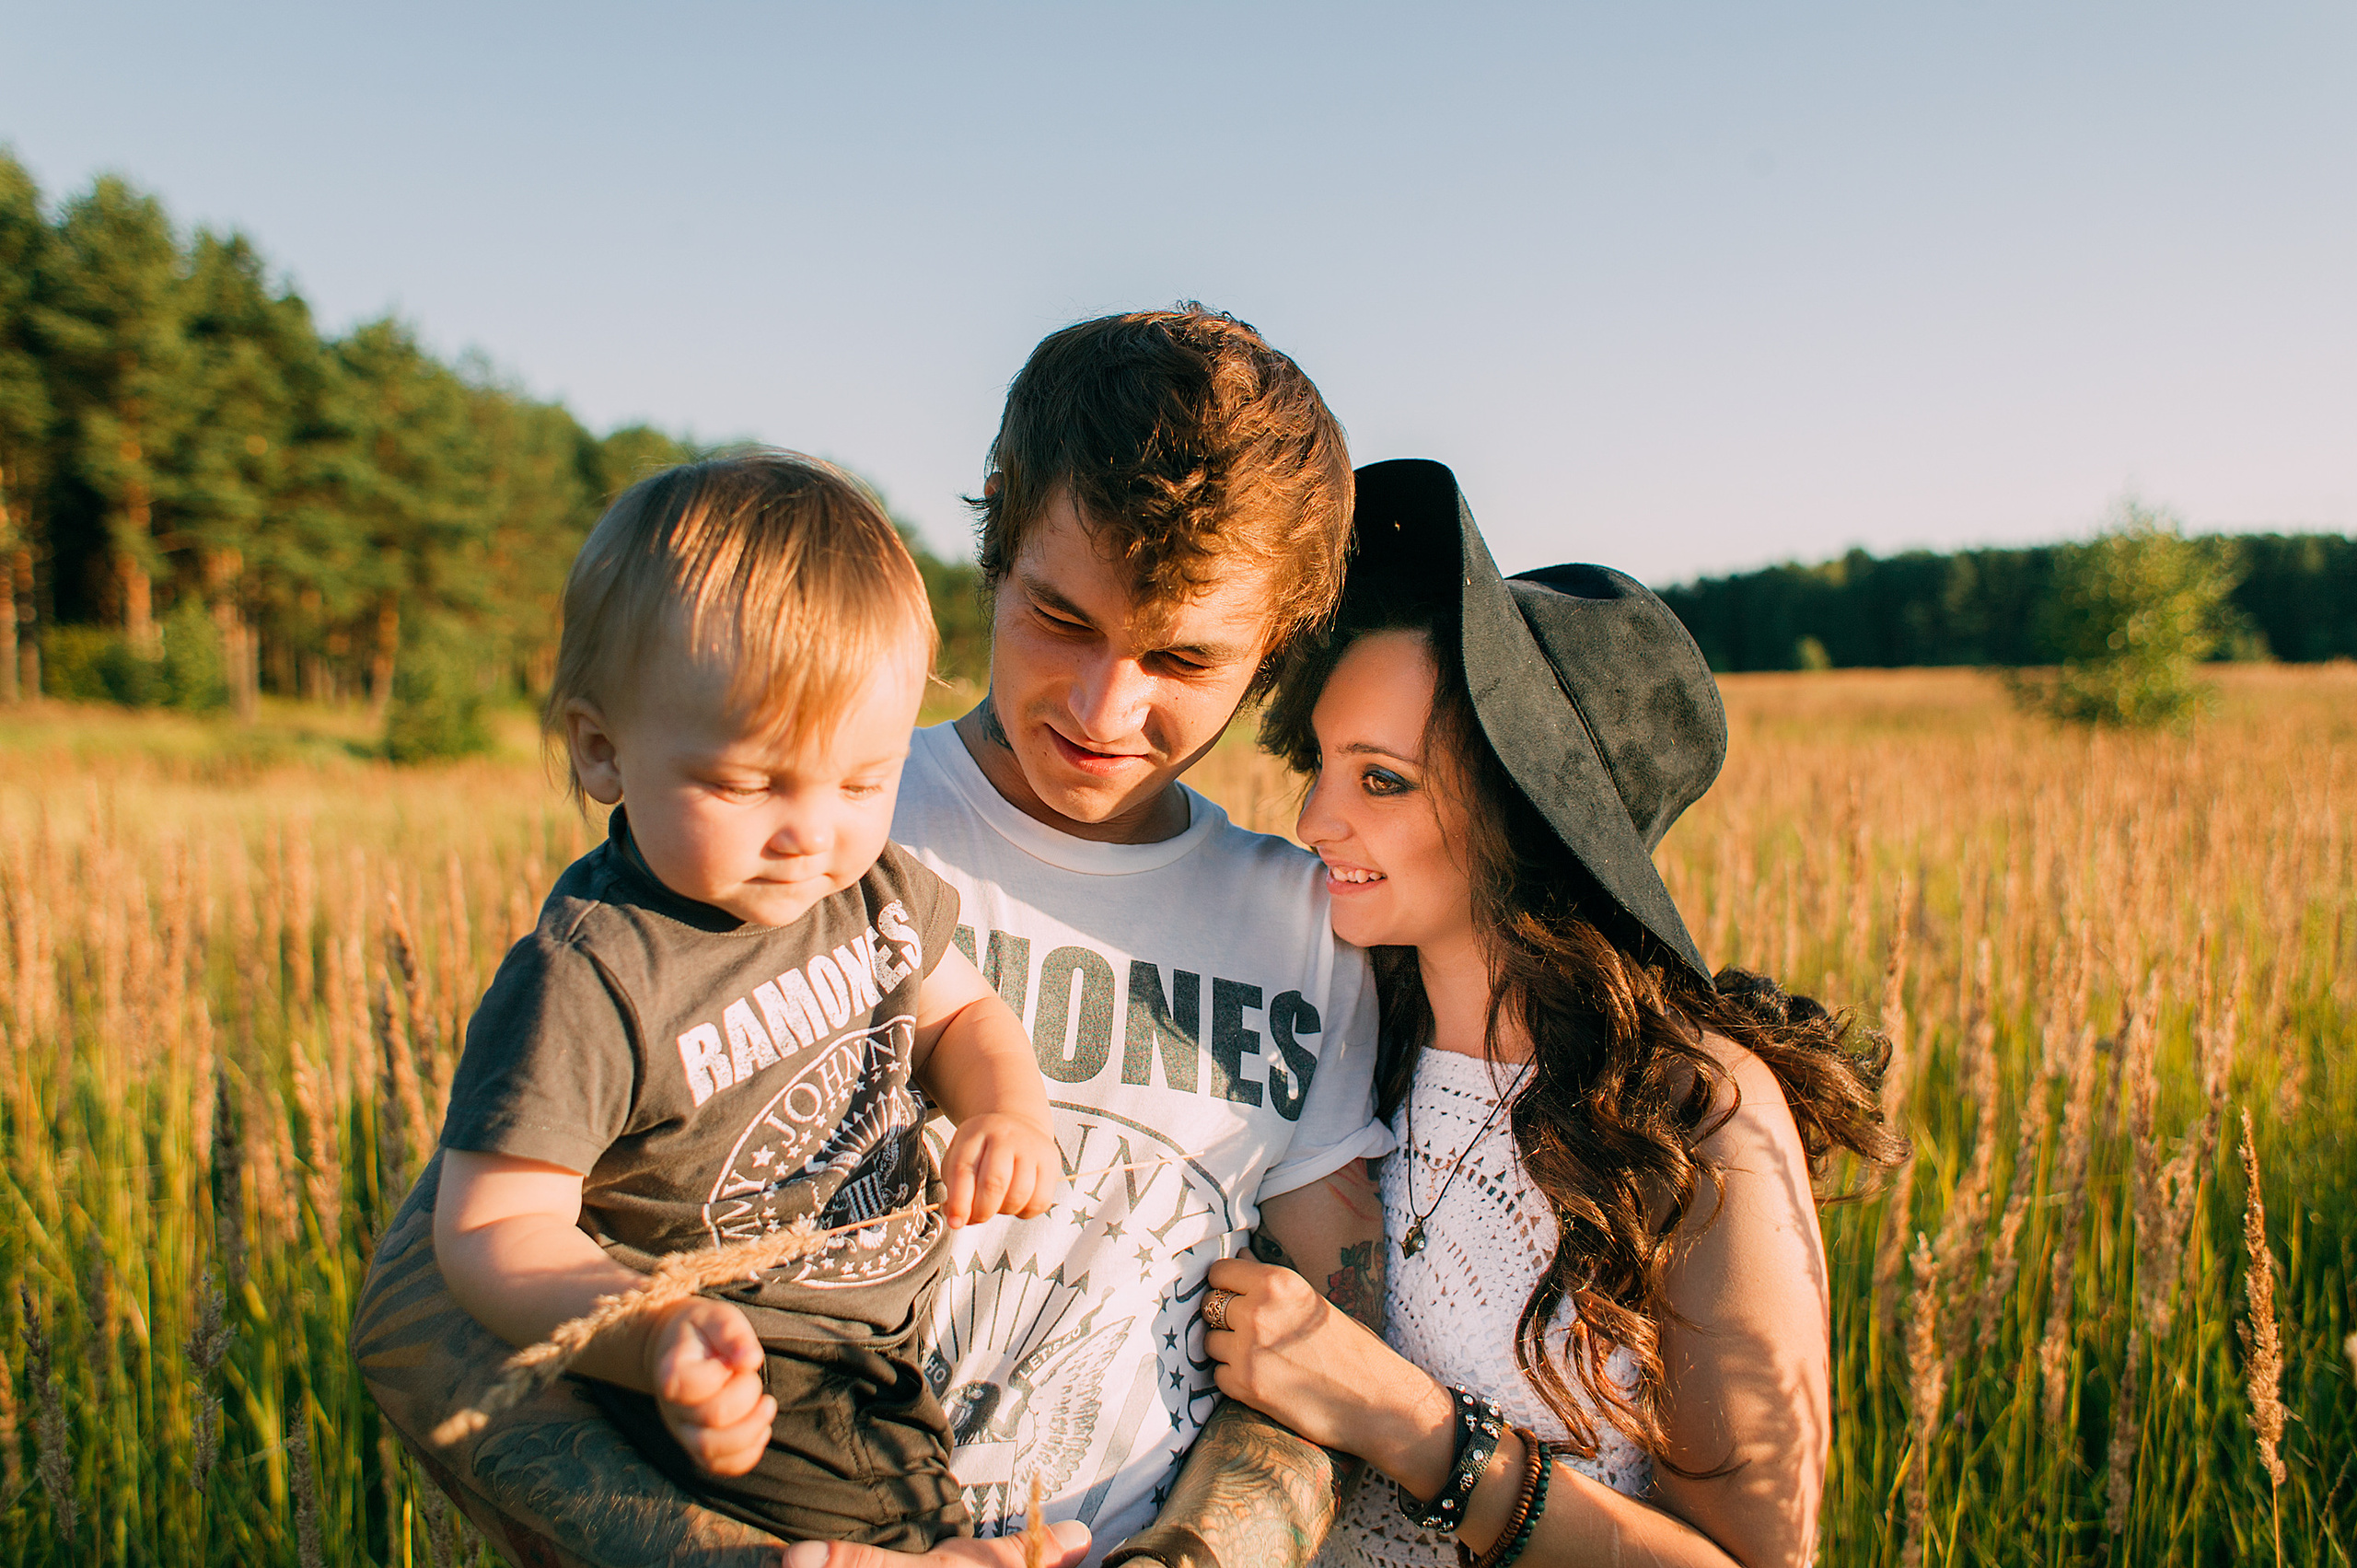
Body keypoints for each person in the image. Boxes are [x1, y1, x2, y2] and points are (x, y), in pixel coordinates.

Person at [351, 306, 1387, 1568]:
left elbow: (1338, 1344)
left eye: (1181, 655)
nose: (1107, 705)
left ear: (1275, 643)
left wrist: (1202, 1553)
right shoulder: (799, 807)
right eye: (1062, 617)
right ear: (997, 543)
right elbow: (419, 1308)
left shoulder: (1309, 923)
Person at [1198, 459, 1908, 1568]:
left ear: (1520, 816)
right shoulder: (1342, 1038)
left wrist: (1412, 1424)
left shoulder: (1693, 1112)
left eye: (1380, 779)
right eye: (1320, 763)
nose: (1314, 816)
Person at [431, 451, 1062, 1550]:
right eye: (746, 781)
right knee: (896, 1533)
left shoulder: (872, 893)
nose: (811, 829)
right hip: (752, 1359)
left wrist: (1009, 1113)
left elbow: (963, 1018)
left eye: (863, 780)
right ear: (601, 749)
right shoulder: (596, 973)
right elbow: (490, 1226)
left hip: (879, 1341)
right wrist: (655, 1332)